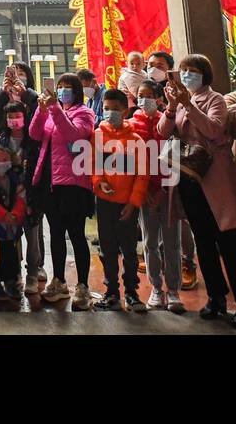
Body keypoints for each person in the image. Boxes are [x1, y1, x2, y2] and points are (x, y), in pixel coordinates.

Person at [160, 55, 236, 328]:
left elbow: (214, 130)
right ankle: (216, 297)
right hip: (191, 181)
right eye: (184, 71)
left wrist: (187, 104)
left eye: (193, 71)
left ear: (205, 74)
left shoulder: (215, 99)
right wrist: (171, 107)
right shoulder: (180, 103)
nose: (188, 75)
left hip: (216, 182)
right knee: (204, 243)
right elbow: (163, 131)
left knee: (230, 244)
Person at [28, 72, 96, 311]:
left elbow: (74, 136)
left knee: (76, 235)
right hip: (50, 183)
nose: (63, 91)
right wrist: (41, 109)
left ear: (76, 92)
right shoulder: (52, 111)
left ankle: (83, 286)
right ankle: (59, 281)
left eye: (68, 87)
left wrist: (55, 109)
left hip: (74, 184)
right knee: (55, 233)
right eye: (60, 87)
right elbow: (35, 134)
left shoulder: (84, 113)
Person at [0, 61, 44, 295]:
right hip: (6, 183)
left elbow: (42, 110)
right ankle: (10, 274)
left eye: (21, 75)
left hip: (30, 181)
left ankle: (34, 269)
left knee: (34, 229)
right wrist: (2, 91)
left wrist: (24, 92)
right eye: (13, 75)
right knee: (8, 232)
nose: (17, 78)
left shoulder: (32, 101)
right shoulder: (2, 104)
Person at [91, 89, 149, 312]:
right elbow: (94, 164)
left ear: (125, 110)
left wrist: (133, 202)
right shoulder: (97, 136)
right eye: (106, 109)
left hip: (127, 205)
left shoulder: (136, 140)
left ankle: (132, 293)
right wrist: (99, 183)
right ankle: (112, 292)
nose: (110, 113)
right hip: (104, 202)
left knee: (128, 249)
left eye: (115, 109)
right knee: (107, 247)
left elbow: (142, 174)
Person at [130, 78, 185, 313]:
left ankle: (173, 291)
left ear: (158, 97)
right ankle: (155, 288)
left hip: (169, 191)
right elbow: (131, 161)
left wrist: (163, 189)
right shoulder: (132, 123)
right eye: (140, 95)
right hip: (145, 194)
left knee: (172, 243)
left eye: (147, 95)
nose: (143, 99)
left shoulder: (170, 121)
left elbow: (175, 156)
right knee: (150, 242)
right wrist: (146, 191)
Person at [0, 136, 27, 304]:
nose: (0, 162)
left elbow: (21, 197)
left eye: (4, 159)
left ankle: (11, 281)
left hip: (13, 227)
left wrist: (15, 214)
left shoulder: (16, 178)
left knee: (12, 256)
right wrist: (3, 215)